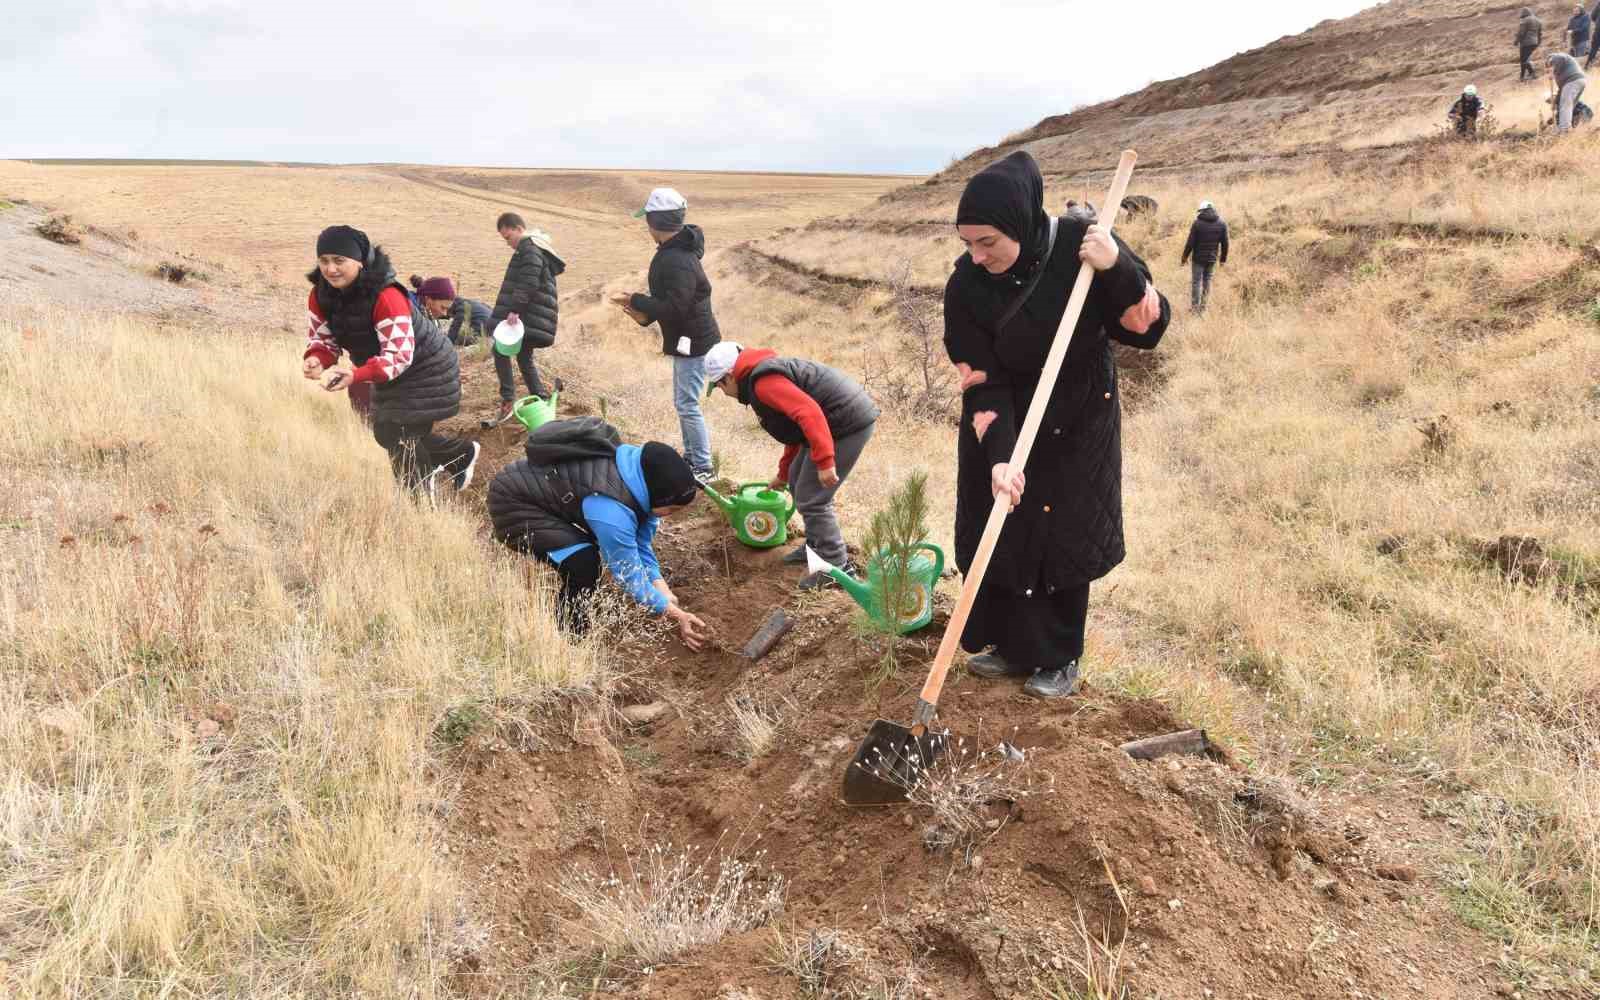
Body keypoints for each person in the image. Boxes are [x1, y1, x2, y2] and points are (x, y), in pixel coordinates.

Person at [943, 151, 1169, 699]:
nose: (976, 256)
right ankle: (1009, 646)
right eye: (968, 242)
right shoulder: (968, 285)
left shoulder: (1085, 247)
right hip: (1004, 414)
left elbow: (1147, 327)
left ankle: (1059, 656)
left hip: (1074, 414)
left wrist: (1118, 266)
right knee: (1001, 521)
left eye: (987, 242)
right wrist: (999, 452)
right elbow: (979, 376)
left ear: (1019, 223)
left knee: (1059, 529)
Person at [486, 418, 710, 648]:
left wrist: (661, 586)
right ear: (659, 495)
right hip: (514, 505)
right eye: (672, 508)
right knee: (583, 563)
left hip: (541, 494)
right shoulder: (612, 511)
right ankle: (570, 640)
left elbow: (640, 544)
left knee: (587, 556)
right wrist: (673, 612)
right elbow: (626, 573)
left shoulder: (641, 477)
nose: (670, 515)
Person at [301, 225, 478, 493]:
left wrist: (356, 375)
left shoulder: (386, 296)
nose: (330, 269)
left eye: (339, 261)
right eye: (324, 261)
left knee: (402, 435)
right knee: (387, 432)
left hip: (427, 366)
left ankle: (418, 505)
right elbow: (323, 339)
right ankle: (459, 456)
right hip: (387, 367)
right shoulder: (320, 295)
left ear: (360, 261)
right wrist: (317, 358)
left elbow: (399, 356)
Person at [701, 341, 880, 590]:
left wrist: (825, 460)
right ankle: (817, 546)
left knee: (813, 497)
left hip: (846, 422)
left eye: (719, 385)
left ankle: (835, 568)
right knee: (798, 481)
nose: (722, 391)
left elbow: (808, 413)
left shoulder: (763, 383)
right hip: (832, 422)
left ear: (729, 377)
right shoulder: (760, 379)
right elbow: (795, 432)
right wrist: (784, 474)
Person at [610, 188, 721, 479]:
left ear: (655, 222)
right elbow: (674, 303)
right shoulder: (677, 252)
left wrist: (636, 299)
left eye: (648, 219)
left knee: (687, 404)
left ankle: (704, 466)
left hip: (694, 343)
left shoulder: (675, 258)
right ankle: (693, 458)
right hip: (689, 340)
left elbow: (676, 307)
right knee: (684, 403)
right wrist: (644, 317)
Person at [489, 213, 563, 421]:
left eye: (508, 237)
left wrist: (515, 309)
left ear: (519, 229)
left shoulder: (529, 248)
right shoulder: (533, 248)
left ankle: (507, 401)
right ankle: (539, 397)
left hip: (528, 315)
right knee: (523, 356)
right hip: (533, 316)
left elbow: (528, 282)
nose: (508, 243)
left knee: (500, 349)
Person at [410, 275, 491, 346]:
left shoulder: (420, 306)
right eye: (443, 308)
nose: (444, 313)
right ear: (428, 299)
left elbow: (452, 330)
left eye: (447, 309)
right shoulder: (410, 310)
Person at [1180, 200, 1229, 315]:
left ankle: (1194, 309)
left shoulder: (1197, 223)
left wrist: (1184, 258)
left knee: (1196, 282)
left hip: (1198, 259)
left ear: (1202, 211)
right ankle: (1203, 308)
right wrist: (1222, 260)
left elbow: (1190, 243)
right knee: (1207, 282)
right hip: (1212, 259)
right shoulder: (1222, 223)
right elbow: (1225, 244)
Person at [1551, 51, 1588, 132]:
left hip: (1573, 80)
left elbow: (1561, 58)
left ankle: (1565, 129)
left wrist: (1550, 65)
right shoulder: (1561, 73)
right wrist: (1555, 103)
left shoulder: (1555, 57)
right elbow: (1561, 91)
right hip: (1579, 80)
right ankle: (1568, 126)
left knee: (1565, 105)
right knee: (1568, 106)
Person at [1519, 7, 1544, 81]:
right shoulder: (1538, 20)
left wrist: (1517, 41)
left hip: (1526, 42)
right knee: (1526, 58)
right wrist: (1538, 42)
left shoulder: (1525, 20)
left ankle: (1525, 75)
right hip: (1535, 42)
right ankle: (1528, 74)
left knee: (1523, 59)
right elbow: (1540, 33)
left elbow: (1521, 32)